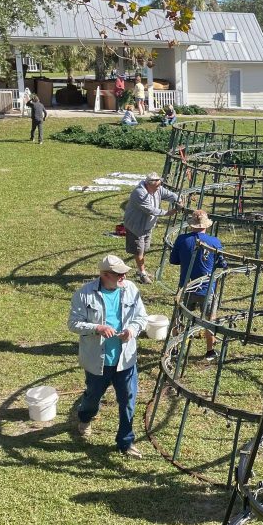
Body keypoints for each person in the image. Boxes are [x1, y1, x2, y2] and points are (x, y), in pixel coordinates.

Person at [67, 254, 148, 458]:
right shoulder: (84, 294)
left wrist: (133, 329)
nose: (124, 276)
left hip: (125, 360)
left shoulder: (131, 289)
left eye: (125, 273)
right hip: (98, 361)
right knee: (92, 397)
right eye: (119, 274)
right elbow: (73, 323)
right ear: (104, 275)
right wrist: (97, 328)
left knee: (128, 400)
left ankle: (126, 442)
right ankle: (85, 418)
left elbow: (141, 317)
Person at [169, 209, 226, 361]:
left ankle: (175, 347)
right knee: (209, 319)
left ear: (192, 225)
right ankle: (210, 351)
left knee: (179, 316)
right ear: (206, 225)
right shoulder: (214, 242)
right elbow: (222, 264)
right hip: (207, 288)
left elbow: (173, 260)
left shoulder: (182, 239)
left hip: (186, 286)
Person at [122, 171, 180, 284]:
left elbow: (169, 194)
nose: (159, 188)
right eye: (157, 186)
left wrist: (178, 199)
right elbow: (150, 209)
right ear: (149, 184)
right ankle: (142, 274)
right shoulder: (140, 193)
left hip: (148, 225)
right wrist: (167, 213)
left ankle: (140, 270)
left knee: (144, 249)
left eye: (159, 185)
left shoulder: (157, 188)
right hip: (136, 226)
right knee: (139, 250)